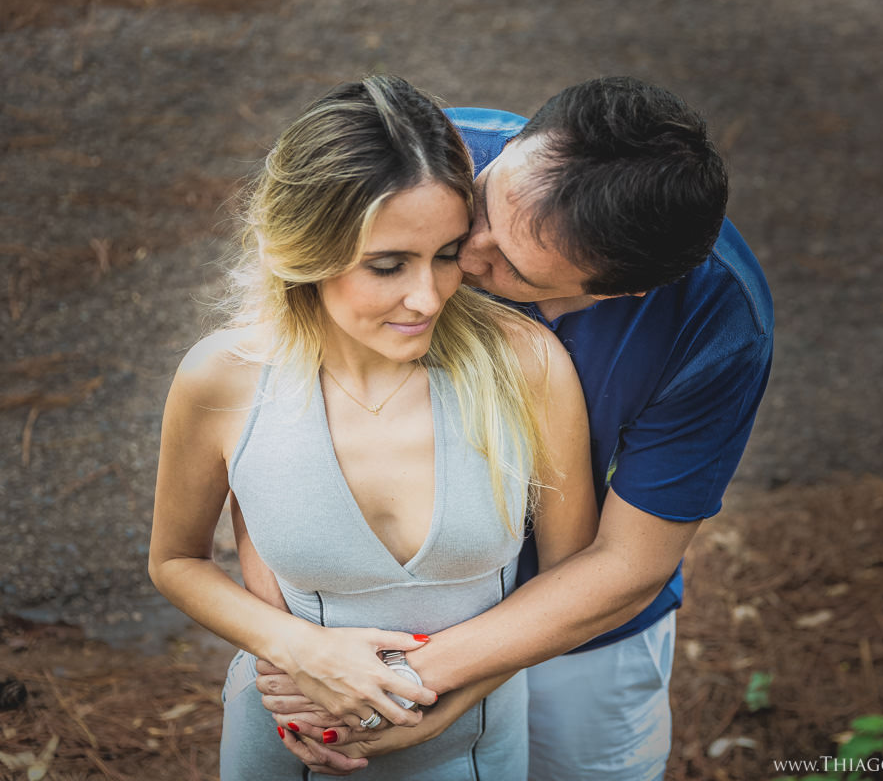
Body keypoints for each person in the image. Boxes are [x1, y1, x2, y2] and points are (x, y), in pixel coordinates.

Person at [253, 76, 774, 780]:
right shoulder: (423, 161)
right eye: (485, 210)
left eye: (510, 269)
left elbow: (629, 562)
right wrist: (287, 641)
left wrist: (416, 680)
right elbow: (265, 410)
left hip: (579, 629)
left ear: (612, 292)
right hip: (368, 607)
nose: (462, 259)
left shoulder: (718, 322)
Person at [147, 75, 597, 780]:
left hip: (473, 752)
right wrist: (301, 650)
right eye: (388, 265)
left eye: (447, 254)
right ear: (307, 252)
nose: (429, 296)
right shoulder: (221, 380)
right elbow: (175, 561)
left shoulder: (527, 364)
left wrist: (447, 696)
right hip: (285, 745)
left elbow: (573, 583)